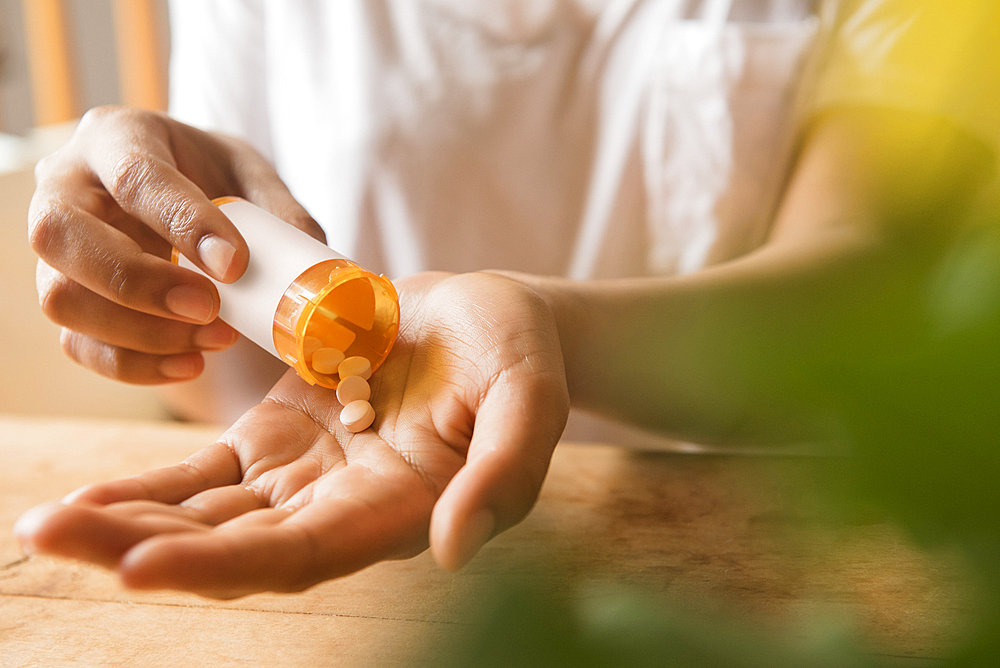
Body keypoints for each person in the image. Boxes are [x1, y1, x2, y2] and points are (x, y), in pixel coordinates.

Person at [14, 0, 999, 598]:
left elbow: (868, 282)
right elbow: (229, 393)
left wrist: (543, 337)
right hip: (395, 590)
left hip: (749, 553)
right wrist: (168, 271)